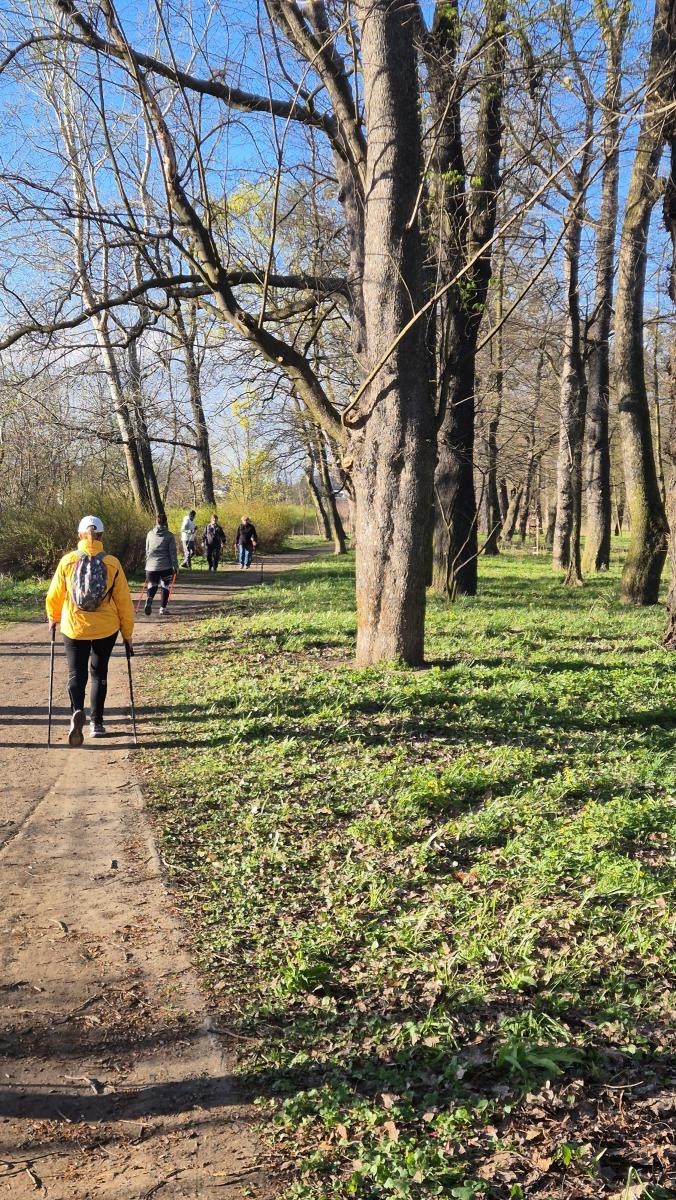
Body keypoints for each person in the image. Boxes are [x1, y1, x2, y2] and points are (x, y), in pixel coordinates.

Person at [46, 515, 134, 745]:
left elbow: (55, 594)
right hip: (106, 628)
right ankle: (97, 722)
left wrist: (53, 618)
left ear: (79, 535)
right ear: (102, 536)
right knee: (99, 673)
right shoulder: (112, 563)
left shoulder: (68, 561)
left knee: (76, 673)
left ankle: (77, 712)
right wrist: (127, 633)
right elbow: (124, 601)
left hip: (74, 626)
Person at [144, 513, 178, 616]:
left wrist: (148, 563)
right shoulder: (169, 535)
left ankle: (150, 597)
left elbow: (147, 550)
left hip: (151, 566)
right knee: (165, 586)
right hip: (165, 566)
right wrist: (175, 566)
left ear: (156, 521)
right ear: (165, 522)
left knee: (152, 584)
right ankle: (163, 609)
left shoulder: (149, 534)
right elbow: (172, 552)